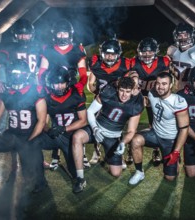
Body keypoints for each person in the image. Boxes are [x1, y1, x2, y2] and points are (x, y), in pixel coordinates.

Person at [0, 59, 47, 193]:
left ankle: (39, 181)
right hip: (11, 135)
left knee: (32, 180)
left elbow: (41, 120)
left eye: (19, 73)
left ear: (26, 74)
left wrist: (31, 140)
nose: (15, 76)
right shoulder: (7, 93)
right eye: (13, 73)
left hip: (30, 135)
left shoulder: (36, 93)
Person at [72, 77, 144, 193]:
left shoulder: (136, 102)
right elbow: (90, 111)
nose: (124, 95)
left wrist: (122, 143)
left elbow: (131, 131)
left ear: (133, 91)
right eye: (121, 90)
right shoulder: (109, 92)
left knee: (116, 173)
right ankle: (80, 178)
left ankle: (109, 155)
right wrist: (95, 129)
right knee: (77, 137)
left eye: (127, 91)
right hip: (97, 128)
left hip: (113, 136)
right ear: (117, 89)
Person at [0, 19, 43, 171]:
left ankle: (35, 157)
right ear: (15, 35)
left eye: (26, 35)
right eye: (20, 34)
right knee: (12, 123)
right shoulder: (8, 49)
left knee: (37, 122)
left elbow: (44, 67)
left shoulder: (38, 49)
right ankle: (14, 160)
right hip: (14, 89)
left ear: (31, 35)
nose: (23, 37)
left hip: (32, 90)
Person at [39, 19, 89, 169]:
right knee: (56, 120)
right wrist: (46, 88)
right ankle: (56, 154)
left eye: (64, 33)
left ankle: (82, 153)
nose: (62, 35)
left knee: (76, 120)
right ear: (55, 35)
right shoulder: (48, 49)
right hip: (53, 87)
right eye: (59, 33)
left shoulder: (78, 49)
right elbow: (42, 72)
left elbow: (83, 73)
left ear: (70, 34)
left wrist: (79, 86)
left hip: (72, 88)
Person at [129, 71, 189, 185]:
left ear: (171, 85)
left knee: (170, 177)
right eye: (158, 83)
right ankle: (139, 172)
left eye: (164, 84)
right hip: (155, 134)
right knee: (135, 140)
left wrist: (176, 151)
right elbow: (145, 103)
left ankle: (174, 160)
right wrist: (136, 94)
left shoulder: (178, 102)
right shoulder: (152, 93)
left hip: (170, 139)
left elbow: (184, 129)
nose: (160, 87)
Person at [36, 66, 87, 179]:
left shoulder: (76, 94)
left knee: (75, 173)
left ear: (68, 82)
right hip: (55, 135)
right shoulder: (47, 97)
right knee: (33, 140)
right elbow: (43, 121)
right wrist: (48, 130)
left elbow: (83, 121)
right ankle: (38, 175)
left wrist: (64, 128)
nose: (59, 87)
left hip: (71, 138)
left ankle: (78, 175)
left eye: (62, 83)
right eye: (56, 83)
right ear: (50, 84)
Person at [87, 38, 131, 166]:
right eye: (107, 54)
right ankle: (97, 152)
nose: (110, 57)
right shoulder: (96, 64)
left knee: (117, 127)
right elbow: (90, 83)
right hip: (102, 100)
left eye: (113, 54)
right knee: (96, 124)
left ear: (118, 54)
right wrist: (97, 94)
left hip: (117, 101)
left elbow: (129, 82)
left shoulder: (125, 65)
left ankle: (118, 153)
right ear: (102, 54)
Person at [130, 37, 171, 165]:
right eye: (144, 51)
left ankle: (156, 149)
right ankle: (130, 149)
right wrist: (136, 85)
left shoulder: (163, 61)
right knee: (132, 123)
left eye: (150, 51)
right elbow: (133, 76)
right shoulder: (134, 62)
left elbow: (167, 79)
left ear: (156, 51)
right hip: (137, 95)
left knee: (155, 123)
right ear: (139, 52)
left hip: (155, 95)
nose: (147, 54)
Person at [167, 22, 195, 90]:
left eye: (185, 35)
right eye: (180, 35)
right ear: (176, 36)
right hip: (177, 90)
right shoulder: (172, 51)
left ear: (191, 35)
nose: (183, 38)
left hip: (193, 90)